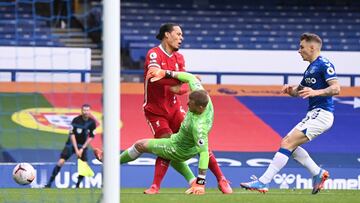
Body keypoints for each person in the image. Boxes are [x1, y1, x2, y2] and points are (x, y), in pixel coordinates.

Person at [240, 33, 341, 194]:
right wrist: (289, 90)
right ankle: (317, 173)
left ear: (312, 47)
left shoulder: (324, 64)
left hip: (322, 114)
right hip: (314, 114)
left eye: (301, 47)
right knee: (289, 145)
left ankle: (262, 182)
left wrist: (316, 92)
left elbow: (336, 88)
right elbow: (298, 91)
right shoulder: (310, 69)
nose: (298, 50)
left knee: (287, 143)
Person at [141, 23, 232, 194]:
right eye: (178, 34)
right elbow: (154, 75)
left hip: (174, 108)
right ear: (167, 35)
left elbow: (179, 89)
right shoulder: (153, 53)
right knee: (167, 142)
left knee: (199, 139)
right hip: (155, 110)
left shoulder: (179, 58)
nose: (181, 38)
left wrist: (183, 84)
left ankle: (221, 178)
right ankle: (156, 185)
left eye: (182, 35)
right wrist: (179, 80)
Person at [96, 70, 217, 195]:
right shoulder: (202, 97)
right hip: (180, 141)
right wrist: (165, 73)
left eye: (190, 104)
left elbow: (203, 153)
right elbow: (190, 77)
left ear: (200, 108)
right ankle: (193, 181)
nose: (187, 104)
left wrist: (201, 183)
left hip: (179, 148)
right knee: (161, 145)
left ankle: (111, 163)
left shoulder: (199, 127)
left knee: (140, 145)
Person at [45, 104, 97, 188]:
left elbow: (91, 137)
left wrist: (82, 149)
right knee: (61, 162)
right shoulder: (76, 120)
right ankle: (49, 184)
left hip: (82, 146)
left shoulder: (92, 122)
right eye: (84, 110)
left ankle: (77, 186)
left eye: (87, 110)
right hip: (71, 144)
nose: (86, 112)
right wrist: (76, 150)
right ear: (81, 111)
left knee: (84, 166)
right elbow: (72, 135)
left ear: (90, 111)